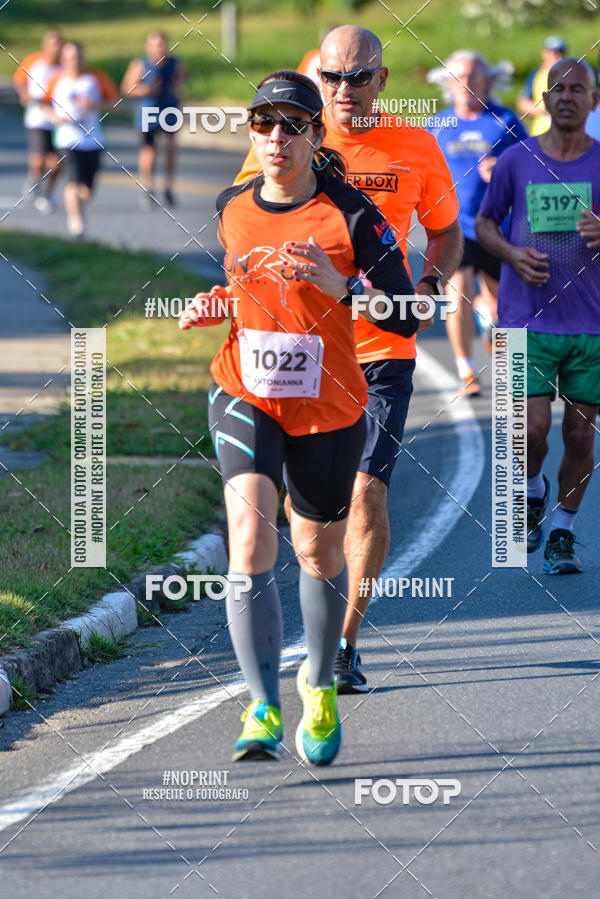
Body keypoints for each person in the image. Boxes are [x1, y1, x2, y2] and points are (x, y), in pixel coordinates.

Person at [180, 71, 422, 764]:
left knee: (316, 553)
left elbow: (408, 314)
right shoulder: (231, 205)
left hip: (329, 406)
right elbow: (243, 283)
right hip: (244, 390)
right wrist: (216, 303)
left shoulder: (352, 217)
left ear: (316, 136)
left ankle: (317, 681)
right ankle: (260, 703)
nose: (276, 137)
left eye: (292, 125)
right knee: (251, 538)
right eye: (263, 123)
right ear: (251, 132)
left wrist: (344, 287)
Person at [234, 25, 462, 694]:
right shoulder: (290, 136)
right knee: (299, 514)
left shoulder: (415, 146)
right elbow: (244, 219)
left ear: (382, 82)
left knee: (366, 492)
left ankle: (341, 644)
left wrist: (425, 287)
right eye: (331, 76)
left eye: (358, 77)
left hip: (381, 351)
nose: (343, 90)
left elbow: (445, 231)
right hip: (299, 351)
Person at [476, 59, 600, 574]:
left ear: (594, 101)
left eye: (579, 89)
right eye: (558, 89)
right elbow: (483, 224)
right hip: (524, 320)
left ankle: (564, 532)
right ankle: (531, 491)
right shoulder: (516, 160)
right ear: (544, 101)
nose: (567, 97)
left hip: (591, 325)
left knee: (579, 435)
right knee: (528, 429)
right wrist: (510, 252)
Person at [427, 51, 528, 395]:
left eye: (472, 76)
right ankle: (465, 369)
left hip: (498, 225)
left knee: (502, 305)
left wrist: (505, 168)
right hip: (455, 225)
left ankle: (490, 322)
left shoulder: (506, 121)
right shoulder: (437, 124)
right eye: (458, 77)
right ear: (448, 84)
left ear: (487, 81)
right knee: (458, 290)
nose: (465, 83)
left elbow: (534, 166)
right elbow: (419, 168)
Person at [44, 42, 118, 237]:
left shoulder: (96, 77)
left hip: (92, 139)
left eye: (77, 56)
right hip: (67, 139)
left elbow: (115, 103)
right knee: (73, 181)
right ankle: (76, 222)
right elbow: (42, 104)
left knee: (87, 190)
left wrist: (95, 104)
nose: (74, 61)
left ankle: (78, 210)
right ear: (63, 59)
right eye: (69, 57)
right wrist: (54, 118)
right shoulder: (55, 79)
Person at [121, 31, 186, 209]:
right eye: (155, 44)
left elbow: (182, 79)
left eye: (162, 44)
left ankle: (168, 187)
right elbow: (127, 88)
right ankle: (148, 189)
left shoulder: (174, 63)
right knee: (149, 151)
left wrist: (178, 85)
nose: (159, 47)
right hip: (148, 112)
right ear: (148, 46)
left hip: (170, 109)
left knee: (171, 147)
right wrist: (147, 90)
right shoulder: (141, 63)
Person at [13, 30, 63, 214]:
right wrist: (24, 94)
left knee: (57, 165)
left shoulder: (66, 66)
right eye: (52, 43)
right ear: (45, 45)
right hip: (37, 119)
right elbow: (19, 79)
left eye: (59, 42)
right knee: (39, 158)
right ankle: (34, 178)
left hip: (59, 121)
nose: (56, 46)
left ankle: (47, 194)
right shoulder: (33, 61)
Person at [517, 36, 567, 136]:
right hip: (541, 132)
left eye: (560, 53)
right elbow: (522, 102)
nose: (557, 57)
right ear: (545, 53)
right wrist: (545, 110)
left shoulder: (570, 74)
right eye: (553, 53)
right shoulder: (535, 74)